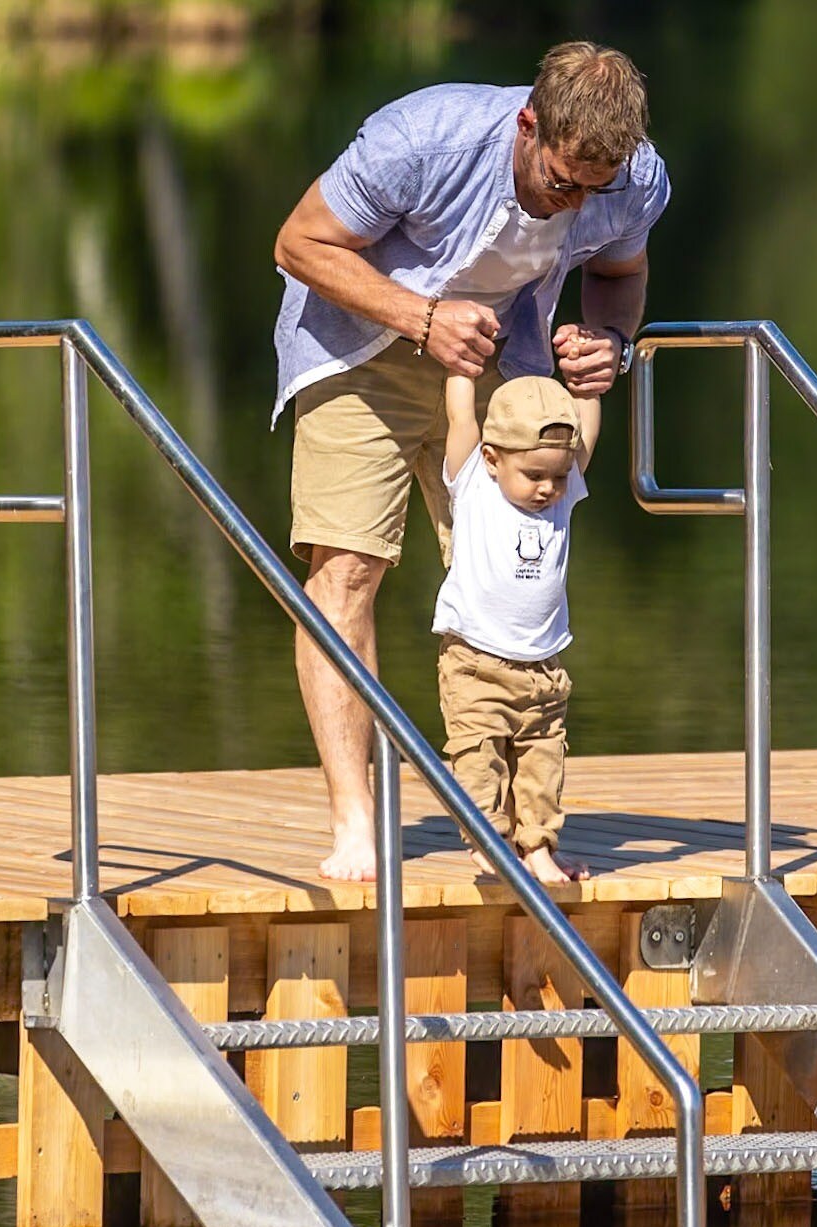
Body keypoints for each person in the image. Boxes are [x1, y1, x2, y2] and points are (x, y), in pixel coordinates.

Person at [271, 42, 667, 880]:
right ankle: (355, 821)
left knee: (509, 578)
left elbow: (620, 272)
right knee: (346, 572)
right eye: (564, 183)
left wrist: (614, 344)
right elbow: (299, 244)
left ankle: (514, 826)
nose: (578, 204)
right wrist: (422, 318)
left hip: (500, 361)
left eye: (597, 189)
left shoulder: (631, 180)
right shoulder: (422, 138)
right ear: (529, 125)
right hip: (359, 355)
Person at [434, 364, 599, 884]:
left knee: (542, 768)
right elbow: (461, 415)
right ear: (491, 459)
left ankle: (538, 850)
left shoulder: (563, 491)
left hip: (543, 670)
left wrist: (588, 387)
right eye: (534, 477)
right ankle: (490, 842)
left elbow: (587, 433)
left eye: (558, 476)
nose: (548, 489)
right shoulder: (473, 486)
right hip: (476, 664)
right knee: (478, 760)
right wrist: (461, 366)